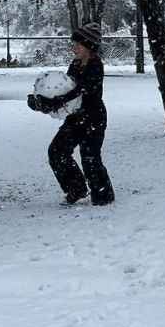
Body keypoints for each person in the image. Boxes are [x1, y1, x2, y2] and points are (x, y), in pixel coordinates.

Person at [33, 22, 115, 206]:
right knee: (57, 151)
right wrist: (43, 102)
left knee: (90, 157)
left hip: (93, 118)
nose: (74, 47)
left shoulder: (95, 65)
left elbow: (81, 90)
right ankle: (76, 189)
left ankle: (103, 195)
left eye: (78, 44)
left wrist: (58, 101)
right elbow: (66, 89)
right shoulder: (75, 65)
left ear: (88, 46)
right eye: (74, 43)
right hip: (76, 118)